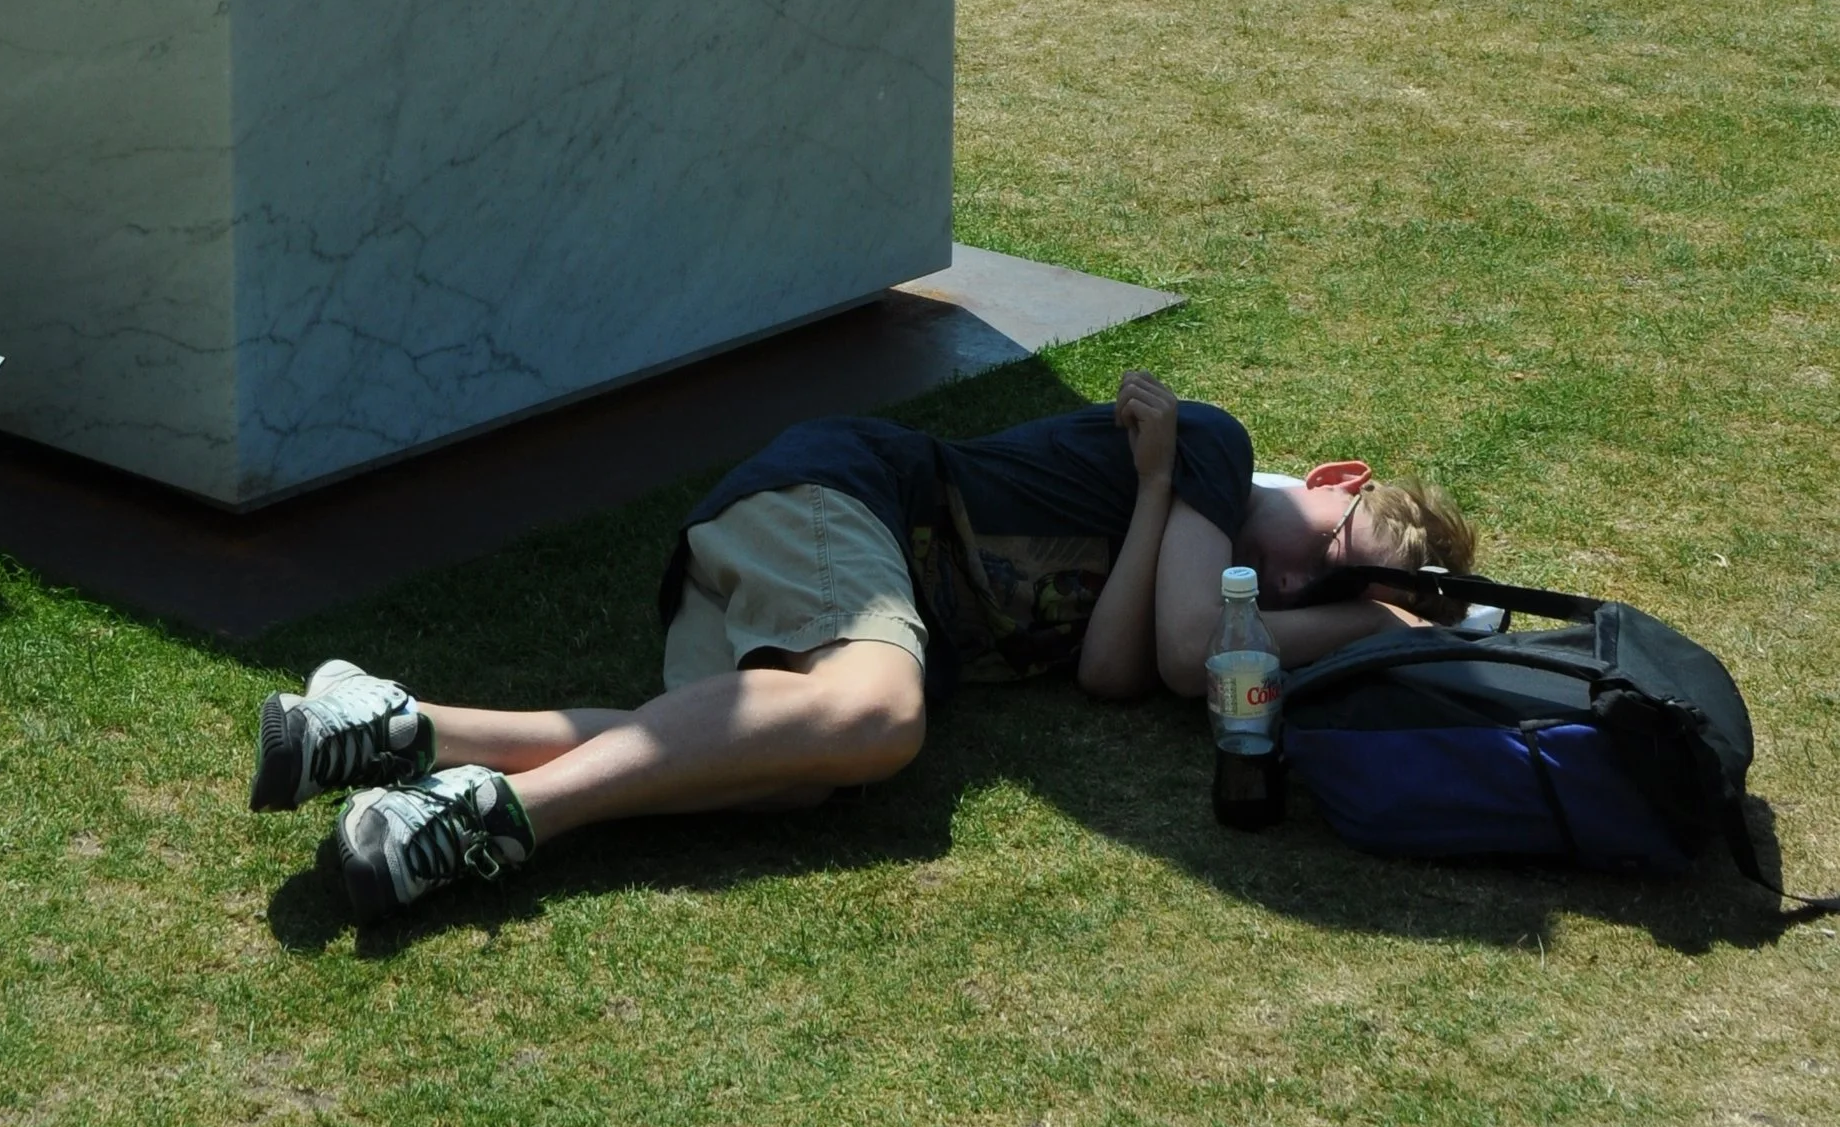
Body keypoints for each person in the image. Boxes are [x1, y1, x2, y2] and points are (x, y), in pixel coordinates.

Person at [249, 375, 1477, 919]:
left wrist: (1150, 501)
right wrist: (1378, 615)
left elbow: (1121, 671)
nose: (1313, 575)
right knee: (884, 714)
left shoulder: (1177, 505)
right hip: (837, 496)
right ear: (1333, 474)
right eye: (1341, 538)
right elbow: (1183, 645)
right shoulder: (1208, 436)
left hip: (786, 569)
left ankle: (396, 724)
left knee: (781, 762)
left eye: (1343, 586)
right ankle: (496, 817)